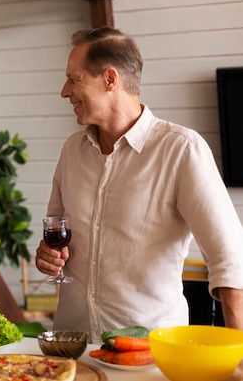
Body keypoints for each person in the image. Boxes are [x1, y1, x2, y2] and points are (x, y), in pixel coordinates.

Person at [35, 27, 243, 342]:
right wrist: (47, 255)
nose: (65, 91)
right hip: (75, 348)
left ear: (110, 79)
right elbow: (56, 237)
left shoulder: (182, 149)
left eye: (74, 79)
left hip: (150, 354)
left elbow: (229, 256)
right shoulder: (71, 151)